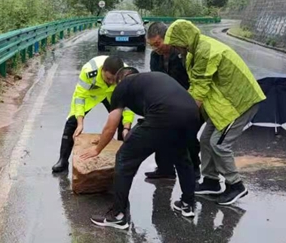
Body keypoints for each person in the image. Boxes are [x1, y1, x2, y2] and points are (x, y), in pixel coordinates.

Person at [79, 67, 200, 230]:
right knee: (182, 157)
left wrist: (97, 149)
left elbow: (111, 125)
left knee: (124, 158)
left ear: (119, 80)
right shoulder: (152, 79)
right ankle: (187, 204)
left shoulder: (123, 86)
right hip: (192, 114)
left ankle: (118, 215)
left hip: (163, 114)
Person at [163, 20, 266, 206]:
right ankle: (211, 180)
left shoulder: (205, 50)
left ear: (185, 39)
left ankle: (235, 185)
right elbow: (195, 86)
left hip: (238, 103)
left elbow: (199, 91)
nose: (176, 49)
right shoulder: (192, 52)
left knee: (219, 144)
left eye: (177, 44)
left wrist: (181, 117)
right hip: (222, 104)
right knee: (205, 140)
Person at [51, 55, 135, 173]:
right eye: (108, 78)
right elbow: (80, 97)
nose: (111, 82)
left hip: (112, 95)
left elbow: (128, 105)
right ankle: (63, 160)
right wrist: (80, 122)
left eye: (114, 80)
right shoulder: (89, 71)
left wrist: (127, 126)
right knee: (72, 121)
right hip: (92, 95)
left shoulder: (126, 75)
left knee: (121, 122)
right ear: (102, 70)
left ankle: (121, 161)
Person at [146, 21, 201, 181]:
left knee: (187, 135)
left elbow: (193, 79)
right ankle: (165, 168)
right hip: (166, 100)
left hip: (186, 99)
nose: (156, 48)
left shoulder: (182, 52)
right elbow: (155, 78)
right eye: (152, 45)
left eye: (158, 43)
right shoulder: (155, 56)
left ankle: (194, 168)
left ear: (167, 37)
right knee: (161, 132)